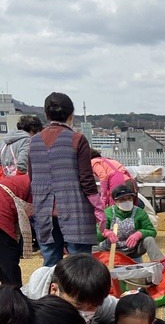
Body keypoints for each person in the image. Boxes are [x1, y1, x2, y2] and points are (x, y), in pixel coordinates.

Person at [28, 92, 107, 266]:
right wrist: (98, 208)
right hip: (75, 210)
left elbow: (32, 177)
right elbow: (86, 178)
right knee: (79, 264)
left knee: (50, 264)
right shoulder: (77, 139)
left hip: (44, 211)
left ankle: (52, 292)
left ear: (47, 114)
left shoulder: (34, 142)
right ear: (71, 114)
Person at [97, 183, 163, 261]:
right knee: (92, 249)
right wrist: (105, 232)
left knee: (149, 239)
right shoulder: (108, 213)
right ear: (115, 201)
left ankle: (161, 265)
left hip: (132, 250)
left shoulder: (139, 212)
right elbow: (97, 235)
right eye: (122, 199)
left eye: (129, 198)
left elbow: (152, 231)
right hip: (110, 250)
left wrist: (140, 233)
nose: (127, 201)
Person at [0, 171, 32, 286]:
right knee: (8, 257)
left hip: (5, 207)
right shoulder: (37, 181)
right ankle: (14, 296)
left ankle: (8, 295)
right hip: (3, 210)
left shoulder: (27, 179)